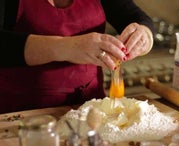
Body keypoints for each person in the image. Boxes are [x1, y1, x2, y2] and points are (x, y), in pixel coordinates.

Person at [0, 0, 154, 113]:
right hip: (22, 114)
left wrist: (144, 35)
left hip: (90, 110)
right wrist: (66, 47)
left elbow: (137, 18)